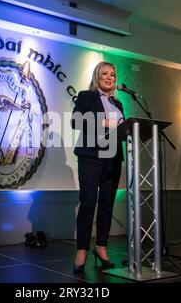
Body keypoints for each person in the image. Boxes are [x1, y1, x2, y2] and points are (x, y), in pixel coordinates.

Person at [70, 62, 125, 274]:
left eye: (112, 74)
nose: (109, 77)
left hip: (113, 158)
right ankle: (82, 250)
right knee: (88, 202)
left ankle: (101, 248)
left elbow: (120, 130)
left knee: (106, 205)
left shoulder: (118, 104)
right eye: (104, 74)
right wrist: (102, 122)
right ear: (97, 76)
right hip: (91, 156)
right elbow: (75, 121)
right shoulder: (86, 96)